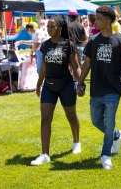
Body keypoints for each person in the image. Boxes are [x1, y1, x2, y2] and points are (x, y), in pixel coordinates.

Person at [77, 6, 121, 170]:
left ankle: (105, 155)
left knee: (109, 123)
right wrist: (80, 83)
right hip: (96, 88)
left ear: (108, 22)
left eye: (98, 18)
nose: (95, 21)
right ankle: (117, 135)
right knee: (96, 121)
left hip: (113, 88)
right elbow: (86, 63)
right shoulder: (94, 40)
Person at [31, 14, 82, 166]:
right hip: (49, 86)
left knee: (72, 117)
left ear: (60, 28)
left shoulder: (68, 44)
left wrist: (80, 83)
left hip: (66, 85)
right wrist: (39, 84)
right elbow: (44, 67)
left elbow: (76, 66)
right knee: (45, 118)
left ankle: (76, 142)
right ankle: (45, 154)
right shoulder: (45, 45)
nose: (50, 29)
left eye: (53, 26)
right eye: (48, 27)